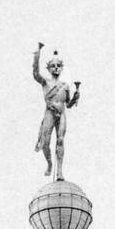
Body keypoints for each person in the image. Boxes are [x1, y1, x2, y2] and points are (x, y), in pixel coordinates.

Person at [33, 43, 80, 179]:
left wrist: (75, 97)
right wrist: (37, 55)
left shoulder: (65, 86)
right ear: (48, 68)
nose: (55, 68)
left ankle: (59, 172)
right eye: (53, 66)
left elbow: (69, 104)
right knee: (45, 144)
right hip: (50, 112)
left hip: (62, 113)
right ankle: (49, 163)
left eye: (58, 66)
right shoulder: (46, 82)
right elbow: (35, 74)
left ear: (61, 68)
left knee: (60, 140)